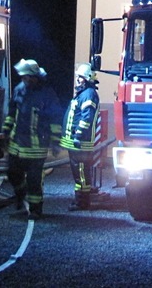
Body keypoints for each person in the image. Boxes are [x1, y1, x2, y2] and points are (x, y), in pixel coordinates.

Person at [2, 58, 62, 220]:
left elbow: (55, 119)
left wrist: (56, 141)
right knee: (13, 173)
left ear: (34, 77)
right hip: (17, 144)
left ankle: (36, 209)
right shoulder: (19, 90)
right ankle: (21, 193)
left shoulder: (47, 94)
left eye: (25, 77)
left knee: (34, 181)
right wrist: (6, 133)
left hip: (37, 147)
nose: (23, 80)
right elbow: (12, 113)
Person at [60, 62, 101, 211]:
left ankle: (82, 202)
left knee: (82, 173)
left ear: (86, 79)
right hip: (77, 142)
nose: (77, 80)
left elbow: (86, 118)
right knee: (79, 172)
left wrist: (78, 135)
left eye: (79, 77)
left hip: (80, 143)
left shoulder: (88, 95)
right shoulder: (84, 94)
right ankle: (80, 200)